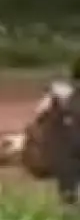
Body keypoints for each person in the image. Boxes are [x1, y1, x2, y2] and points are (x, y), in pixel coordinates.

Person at [27, 60, 80, 206]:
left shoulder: (60, 96)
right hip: (68, 151)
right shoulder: (63, 96)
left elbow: (38, 118)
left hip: (64, 153)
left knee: (68, 194)